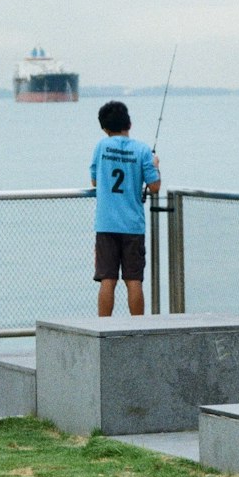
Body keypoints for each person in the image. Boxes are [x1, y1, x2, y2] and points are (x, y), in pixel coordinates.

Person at [89, 100, 161, 317]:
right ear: (128, 123)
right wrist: (155, 165)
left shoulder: (101, 147)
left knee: (107, 279)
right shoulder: (142, 150)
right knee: (133, 280)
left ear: (104, 128)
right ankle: (137, 328)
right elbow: (155, 186)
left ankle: (104, 328)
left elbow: (94, 181)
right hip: (132, 225)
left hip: (106, 223)